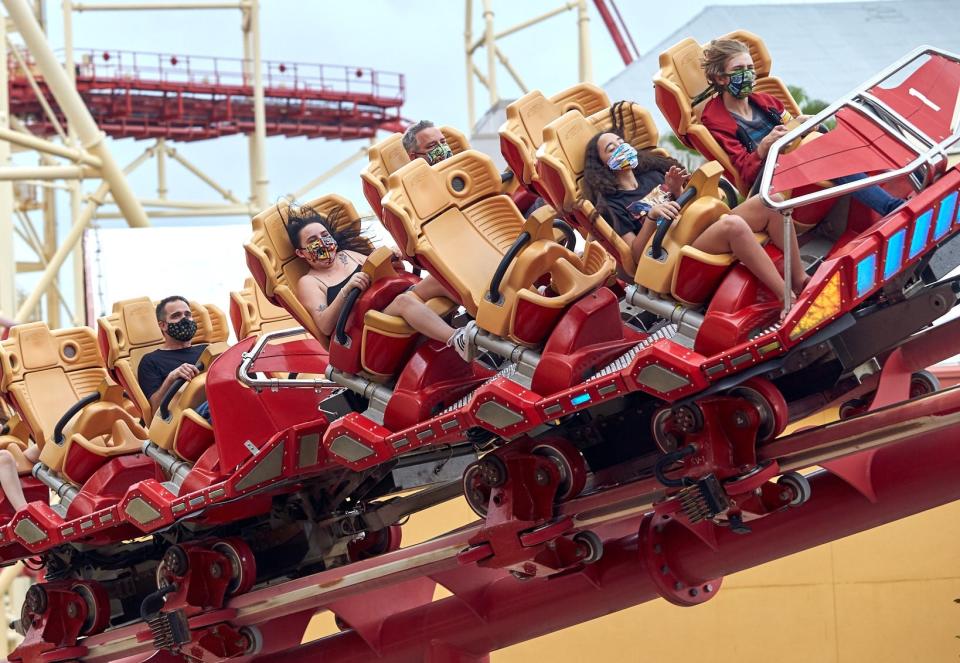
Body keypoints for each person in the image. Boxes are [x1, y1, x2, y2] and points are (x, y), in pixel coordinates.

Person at [583, 130, 808, 300]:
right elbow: (637, 255)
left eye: (621, 143)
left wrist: (677, 190)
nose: (621, 148)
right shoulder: (612, 206)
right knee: (734, 225)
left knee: (772, 202)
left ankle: (800, 280)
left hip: (698, 224)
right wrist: (651, 218)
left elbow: (691, 204)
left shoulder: (653, 173)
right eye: (611, 149)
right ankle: (786, 298)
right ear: (602, 165)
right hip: (676, 252)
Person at [699, 38, 904, 215]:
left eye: (750, 69)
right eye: (738, 70)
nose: (747, 75)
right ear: (720, 78)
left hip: (795, 157)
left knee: (836, 139)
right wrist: (764, 146)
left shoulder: (765, 100)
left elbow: (790, 124)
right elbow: (744, 172)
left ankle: (905, 178)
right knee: (826, 152)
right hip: (768, 175)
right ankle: (892, 207)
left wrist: (803, 124)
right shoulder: (715, 119)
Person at [289, 204, 473, 361]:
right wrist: (347, 289)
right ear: (301, 253)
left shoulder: (347, 255)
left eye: (324, 235)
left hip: (388, 299)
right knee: (404, 302)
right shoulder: (309, 282)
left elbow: (378, 269)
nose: (322, 243)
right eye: (313, 241)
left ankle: (481, 315)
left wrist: (394, 259)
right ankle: (458, 340)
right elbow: (324, 325)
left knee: (438, 278)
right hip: (367, 325)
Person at [137, 296, 209, 419]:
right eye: (176, 316)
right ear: (163, 325)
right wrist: (171, 378)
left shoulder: (207, 350)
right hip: (184, 418)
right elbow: (155, 412)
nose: (185, 320)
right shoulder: (150, 361)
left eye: (187, 314)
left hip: (218, 400)